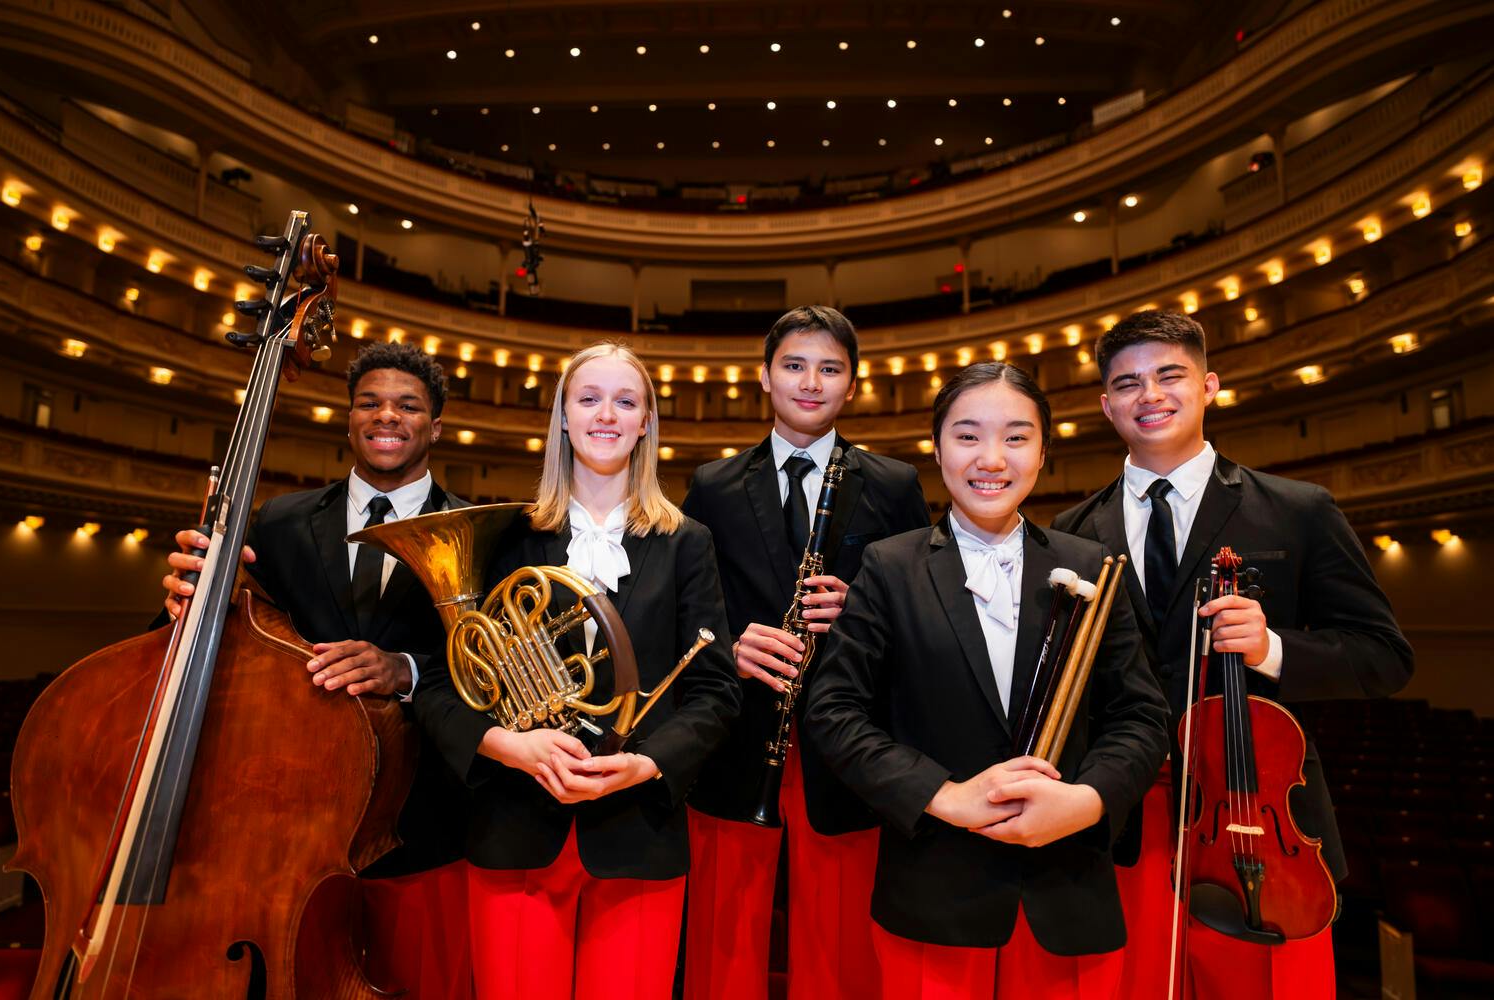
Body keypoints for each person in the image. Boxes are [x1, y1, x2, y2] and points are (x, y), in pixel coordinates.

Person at [1052, 309, 1414, 998]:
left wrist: (1273, 648)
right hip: (1120, 819)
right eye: (1127, 383)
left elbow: (1385, 657)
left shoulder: (1298, 510)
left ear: (1210, 385)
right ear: (1105, 405)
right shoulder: (1070, 533)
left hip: (1252, 817)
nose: (1149, 395)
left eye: (1169, 375)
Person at [805, 361, 1169, 999]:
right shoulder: (890, 566)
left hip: (1068, 892)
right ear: (937, 448)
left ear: (1043, 452)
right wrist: (946, 796)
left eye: (1017, 437)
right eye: (968, 436)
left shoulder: (1092, 566)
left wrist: (1085, 803)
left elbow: (1139, 717)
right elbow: (834, 712)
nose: (991, 458)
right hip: (933, 893)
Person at [413, 342, 742, 1000]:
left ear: (646, 422)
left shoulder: (687, 543)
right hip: (515, 828)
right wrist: (510, 744)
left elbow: (714, 692)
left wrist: (646, 764)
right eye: (589, 399)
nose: (606, 415)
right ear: (562, 417)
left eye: (625, 401)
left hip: (637, 834)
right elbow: (444, 681)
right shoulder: (504, 535)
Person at [161, 341, 474, 998]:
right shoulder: (280, 521)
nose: (387, 416)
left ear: (435, 426)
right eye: (370, 402)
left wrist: (408, 671)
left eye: (408, 406)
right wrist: (185, 602)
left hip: (424, 827)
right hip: (288, 820)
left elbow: (496, 677)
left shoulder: (481, 530)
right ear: (349, 415)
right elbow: (223, 646)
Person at [682, 305, 928, 1000]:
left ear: (852, 384)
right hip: (737, 736)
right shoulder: (713, 485)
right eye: (794, 365)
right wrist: (729, 644)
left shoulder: (893, 484)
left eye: (830, 368)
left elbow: (925, 603)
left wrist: (863, 608)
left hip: (848, 742)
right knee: (721, 940)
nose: (810, 382)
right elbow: (689, 609)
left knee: (842, 940)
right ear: (764, 377)